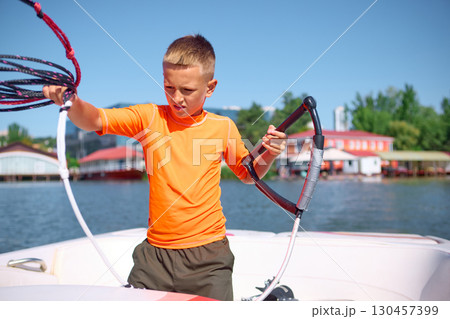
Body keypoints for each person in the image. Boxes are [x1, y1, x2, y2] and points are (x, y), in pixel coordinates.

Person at [43, 34, 287, 301]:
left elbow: (247, 174)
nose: (177, 98)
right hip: (154, 258)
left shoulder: (223, 126)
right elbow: (95, 118)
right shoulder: (149, 117)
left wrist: (268, 154)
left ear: (210, 87)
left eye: (187, 90)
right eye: (169, 88)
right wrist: (71, 102)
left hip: (209, 258)